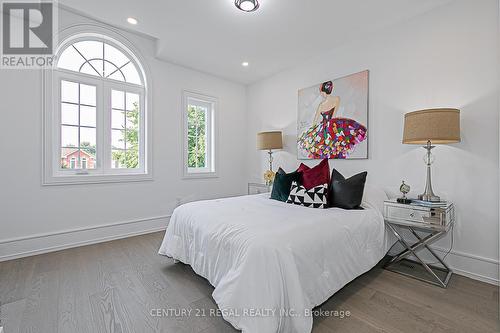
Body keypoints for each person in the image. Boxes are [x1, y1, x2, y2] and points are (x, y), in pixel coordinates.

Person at [298, 81, 367, 159]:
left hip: (324, 127)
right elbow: (333, 115)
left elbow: (315, 121)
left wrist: (312, 131)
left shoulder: (321, 105)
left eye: (321, 92)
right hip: (333, 123)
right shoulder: (337, 99)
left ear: (323, 92)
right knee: (336, 146)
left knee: (323, 147)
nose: (321, 94)